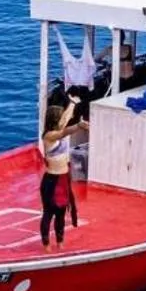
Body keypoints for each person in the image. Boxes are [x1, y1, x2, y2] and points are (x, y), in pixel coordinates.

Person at [38, 94, 89, 251]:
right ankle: (46, 244)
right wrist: (78, 126)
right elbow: (64, 132)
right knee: (49, 213)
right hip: (51, 181)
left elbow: (66, 119)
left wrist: (73, 103)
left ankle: (60, 241)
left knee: (61, 213)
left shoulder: (60, 126)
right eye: (60, 117)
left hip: (63, 178)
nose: (64, 119)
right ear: (55, 119)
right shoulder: (49, 136)